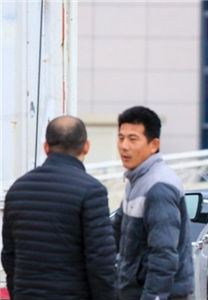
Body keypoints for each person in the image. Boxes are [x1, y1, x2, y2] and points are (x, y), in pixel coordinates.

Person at [1, 116, 116, 300]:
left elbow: (8, 256)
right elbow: (100, 261)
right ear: (86, 146)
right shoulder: (91, 190)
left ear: (46, 147)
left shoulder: (17, 190)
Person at [114, 106, 193, 300]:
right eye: (121, 137)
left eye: (133, 139)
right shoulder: (137, 180)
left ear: (154, 144)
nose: (124, 146)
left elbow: (164, 255)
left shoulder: (158, 187)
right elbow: (115, 232)